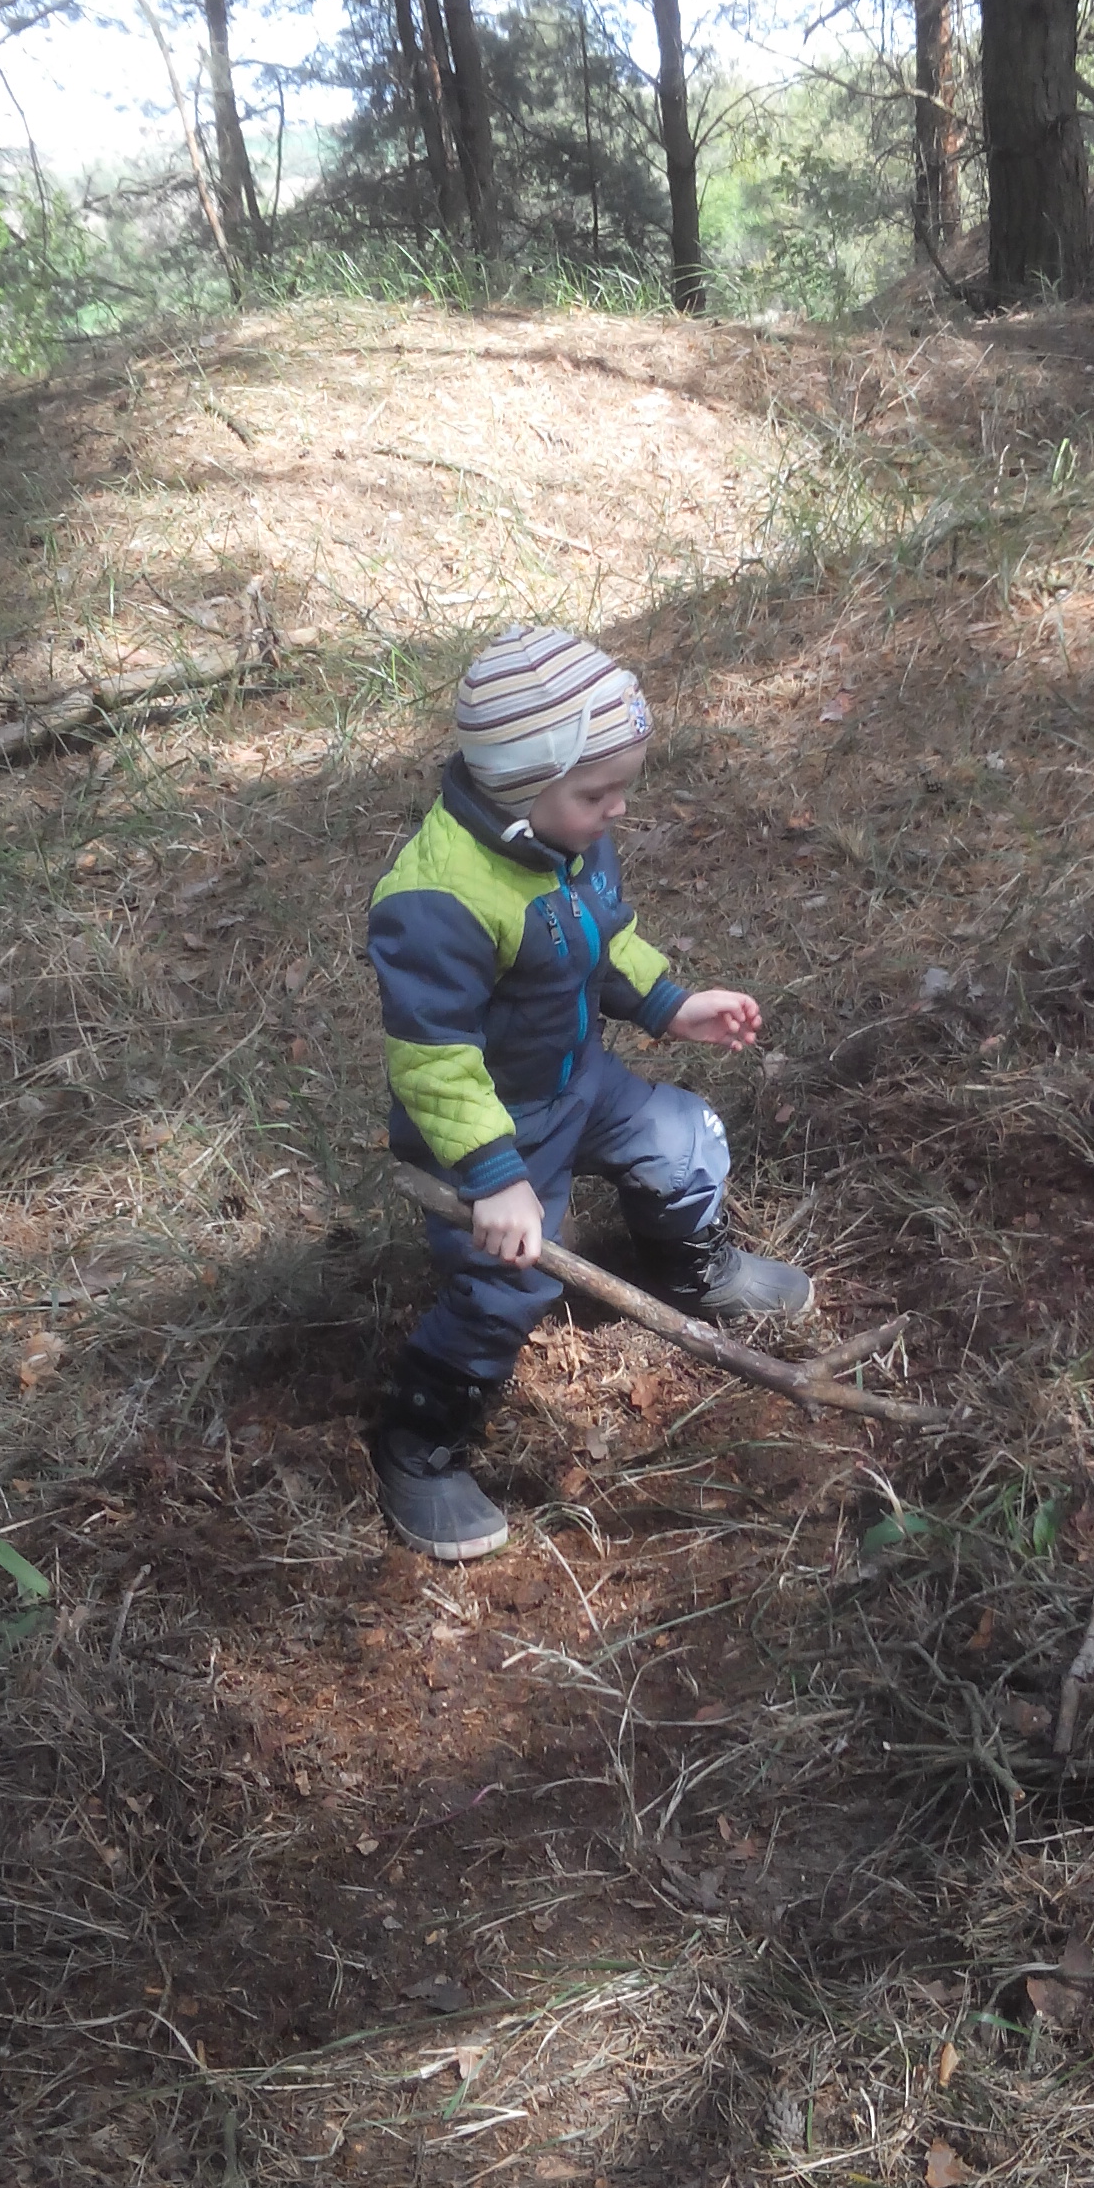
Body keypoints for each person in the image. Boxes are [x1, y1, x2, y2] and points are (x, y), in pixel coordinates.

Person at [365, 623, 811, 1559]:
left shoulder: (564, 840)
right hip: (497, 1126)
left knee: (683, 1136)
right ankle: (420, 1440)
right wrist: (494, 1177)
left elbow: (605, 936)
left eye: (623, 787)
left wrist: (669, 1003)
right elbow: (435, 1061)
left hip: (581, 1079)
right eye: (597, 793)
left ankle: (689, 1267)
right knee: (505, 1284)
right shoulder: (437, 901)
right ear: (516, 787)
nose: (618, 809)